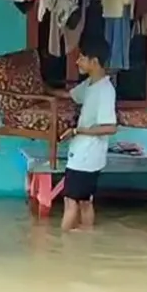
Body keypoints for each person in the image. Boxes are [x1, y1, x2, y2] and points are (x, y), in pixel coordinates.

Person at [48, 40, 118, 231]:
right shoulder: (90, 84)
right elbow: (69, 95)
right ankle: (86, 244)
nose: (77, 61)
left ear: (94, 61)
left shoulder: (105, 90)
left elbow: (110, 127)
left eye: (81, 58)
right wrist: (43, 91)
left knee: (71, 202)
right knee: (85, 202)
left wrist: (77, 131)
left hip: (86, 155)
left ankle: (60, 247)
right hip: (87, 154)